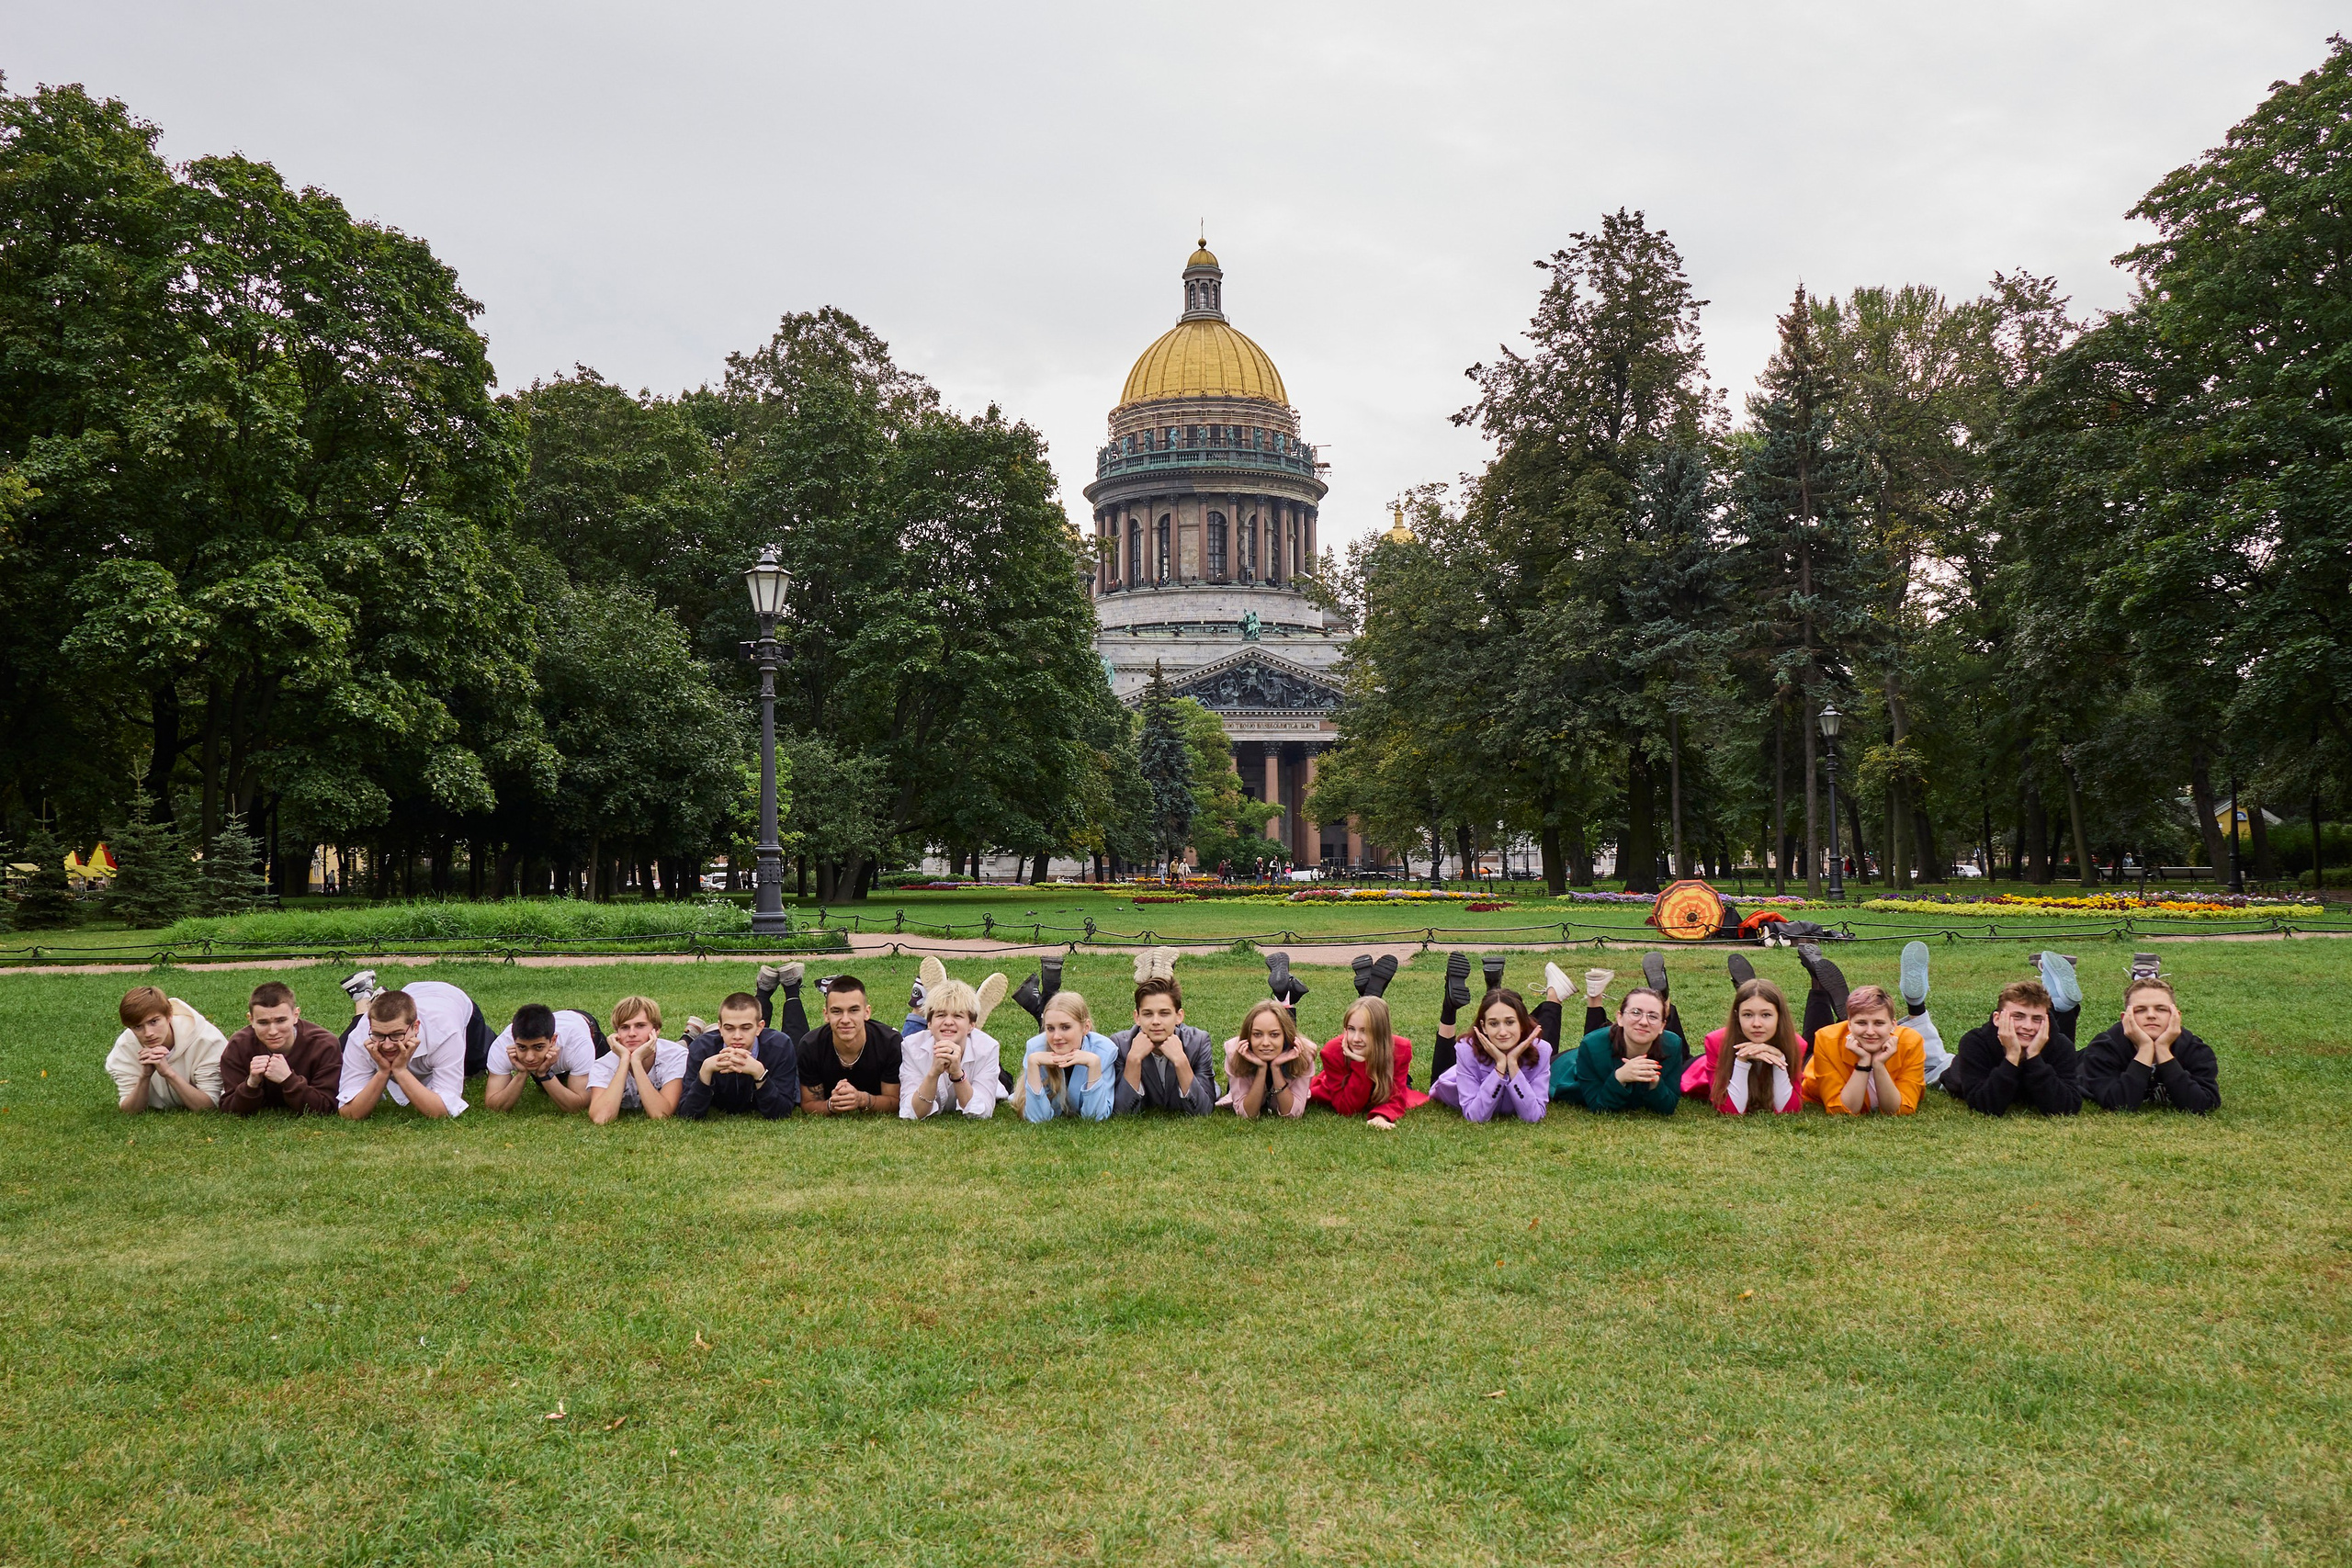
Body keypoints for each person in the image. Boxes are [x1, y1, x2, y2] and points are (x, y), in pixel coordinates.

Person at [1781, 941, 1955, 1089]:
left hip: (1834, 1059)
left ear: (1893, 1024)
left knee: (1821, 1046)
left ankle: (1848, 1014)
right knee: (1814, 1048)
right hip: (1853, 1057)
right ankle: (1820, 987)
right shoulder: (1907, 1042)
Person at [1947, 955, 2085, 1117]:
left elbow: (2067, 1108)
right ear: (1997, 1018)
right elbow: (1984, 1106)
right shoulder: (1975, 1042)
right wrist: (2012, 1056)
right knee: (1943, 1070)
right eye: (2018, 1016)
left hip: (2047, 1050)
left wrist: (2034, 1057)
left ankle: (2061, 1002)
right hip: (1958, 1074)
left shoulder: (2062, 1046)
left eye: (2037, 1019)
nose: (2028, 1026)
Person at [1431, 955, 1552, 1122]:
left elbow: (1533, 1116)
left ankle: (1493, 990)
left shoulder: (1542, 1050)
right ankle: (1449, 1005)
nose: (1502, 1032)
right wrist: (1500, 1066)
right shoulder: (1466, 1050)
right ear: (1483, 1027)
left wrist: (1512, 1064)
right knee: (1438, 1075)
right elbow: (1475, 1116)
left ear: (1522, 1023)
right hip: (1452, 1084)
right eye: (1494, 1024)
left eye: (1510, 1022)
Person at [2076, 974, 2221, 1113]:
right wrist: (2145, 1048)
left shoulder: (2194, 1049)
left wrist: (2162, 1048)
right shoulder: (2103, 1049)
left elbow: (2203, 1104)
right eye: (2140, 1010)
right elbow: (2119, 1105)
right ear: (2125, 1018)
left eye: (2161, 1009)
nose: (2151, 1015)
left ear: (2176, 1015)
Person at [336, 981, 476, 1119]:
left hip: (455, 1001)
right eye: (378, 1035)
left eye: (397, 1035)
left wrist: (400, 1070)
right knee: (340, 1049)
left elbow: (443, 1112)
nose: (387, 1045)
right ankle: (364, 998)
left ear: (416, 1027)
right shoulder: (360, 1038)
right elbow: (349, 1113)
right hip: (411, 996)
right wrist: (383, 1072)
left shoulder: (446, 1035)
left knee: (476, 1066)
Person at [1552, 977, 1689, 1115]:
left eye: (1653, 1016)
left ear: (1662, 1026)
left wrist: (1654, 1082)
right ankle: (1554, 994)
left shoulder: (1672, 1044)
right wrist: (1619, 1077)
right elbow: (1599, 1107)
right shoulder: (1591, 1045)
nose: (1644, 1022)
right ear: (1620, 1018)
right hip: (1565, 1066)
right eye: (1636, 1013)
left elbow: (1668, 1107)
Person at [220, 980, 345, 1116]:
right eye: (263, 1023)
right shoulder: (238, 1045)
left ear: (295, 1015)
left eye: (281, 1021)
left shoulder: (324, 1045)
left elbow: (326, 1106)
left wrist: (288, 1080)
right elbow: (230, 1108)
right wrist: (251, 1083)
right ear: (251, 1020)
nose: (273, 1031)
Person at [1801, 985, 1924, 1116]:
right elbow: (1842, 1110)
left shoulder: (1911, 1042)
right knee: (1806, 1049)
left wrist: (1879, 1064)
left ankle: (1819, 986)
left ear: (1893, 1025)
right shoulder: (1826, 1039)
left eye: (1879, 1023)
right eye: (1861, 1023)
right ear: (1849, 1024)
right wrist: (1863, 1062)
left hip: (1844, 1041)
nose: (1870, 1032)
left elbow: (1900, 1109)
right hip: (1813, 1066)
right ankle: (1818, 988)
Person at [1308, 995, 1428, 1129]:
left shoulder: (1400, 1049)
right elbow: (1347, 1108)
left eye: (1365, 1031)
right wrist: (1362, 1063)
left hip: (1379, 1089)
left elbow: (1396, 1097)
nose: (1356, 1038)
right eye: (1351, 1029)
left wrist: (1381, 1116)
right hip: (1336, 1089)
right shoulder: (1333, 1051)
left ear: (1380, 1033)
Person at [1693, 977, 1806, 1115]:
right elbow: (1731, 1111)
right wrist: (1741, 1059)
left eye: (1766, 1015)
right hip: (1697, 1070)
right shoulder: (1716, 1041)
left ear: (1779, 1016)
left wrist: (1779, 1061)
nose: (1756, 1024)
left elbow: (1790, 1110)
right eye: (1747, 1015)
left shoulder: (1796, 1044)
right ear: (1737, 1016)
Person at [105, 986, 226, 1114]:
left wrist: (168, 1072)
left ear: (169, 1015)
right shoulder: (125, 1046)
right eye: (138, 1027)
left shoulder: (207, 1041)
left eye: (154, 1022)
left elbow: (208, 1107)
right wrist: (145, 1076)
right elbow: (129, 1110)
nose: (148, 1033)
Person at [679, 992, 798, 1120]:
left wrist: (760, 1073)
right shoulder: (701, 1049)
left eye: (745, 1028)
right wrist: (706, 1071)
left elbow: (781, 1113)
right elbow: (688, 1114)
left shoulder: (780, 1047)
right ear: (720, 1028)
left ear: (759, 1027)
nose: (737, 1036)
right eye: (729, 1028)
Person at [794, 974, 900, 1116]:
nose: (845, 1020)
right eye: (836, 1011)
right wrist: (831, 1105)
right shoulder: (810, 1046)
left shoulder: (890, 1043)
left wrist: (862, 1099)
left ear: (867, 1012)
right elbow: (808, 1104)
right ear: (826, 1015)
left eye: (853, 1010)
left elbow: (895, 1101)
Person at [899, 978, 1006, 1120]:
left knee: (1004, 1082)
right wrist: (933, 1073)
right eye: (941, 1015)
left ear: (971, 1025)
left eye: (957, 1016)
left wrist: (957, 1074)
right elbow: (910, 1112)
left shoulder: (988, 1048)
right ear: (929, 1023)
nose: (948, 1022)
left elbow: (982, 1112)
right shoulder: (911, 1047)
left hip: (994, 1081)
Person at [1113, 975, 1217, 1116]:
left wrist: (1180, 1060)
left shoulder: (1198, 1042)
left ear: (1179, 1016)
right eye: (1148, 1014)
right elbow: (1121, 1112)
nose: (1156, 1021)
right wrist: (1133, 1059)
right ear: (1137, 1017)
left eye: (1164, 1013)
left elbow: (1204, 1110)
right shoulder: (1120, 1044)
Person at [482, 1002, 603, 1113]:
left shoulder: (579, 1045)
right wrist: (522, 1074)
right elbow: (493, 1106)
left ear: (553, 1040)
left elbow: (579, 1106)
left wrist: (544, 1074)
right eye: (522, 1047)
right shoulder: (501, 1047)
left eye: (538, 1047)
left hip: (586, 1027)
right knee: (548, 1087)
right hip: (556, 1044)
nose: (529, 1058)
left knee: (604, 1080)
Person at [587, 996, 688, 1123]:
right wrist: (624, 1060)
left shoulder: (676, 1056)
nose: (632, 1033)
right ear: (616, 1033)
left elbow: (661, 1114)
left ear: (656, 1030)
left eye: (640, 1026)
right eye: (624, 1027)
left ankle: (690, 1037)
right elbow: (602, 1118)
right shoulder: (603, 1065)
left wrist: (636, 1062)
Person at [1021, 990, 1117, 1122]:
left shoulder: (1104, 1051)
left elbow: (1096, 1117)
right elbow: (1038, 1118)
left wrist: (1094, 1065)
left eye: (1065, 1027)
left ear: (1086, 1027)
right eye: (1050, 1028)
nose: (1056, 1037)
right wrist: (1033, 1063)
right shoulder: (1035, 1049)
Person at [1220, 997, 1317, 1119]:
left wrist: (1276, 1068)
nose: (1265, 1042)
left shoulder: (1303, 1054)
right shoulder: (1234, 1052)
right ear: (1248, 1036)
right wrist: (1261, 1069)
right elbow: (1247, 1114)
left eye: (1274, 1035)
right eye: (1257, 1034)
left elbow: (1294, 1114)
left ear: (1286, 1035)